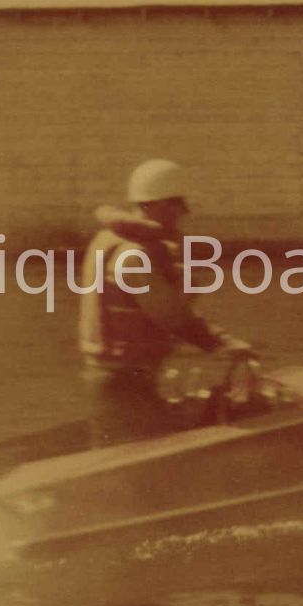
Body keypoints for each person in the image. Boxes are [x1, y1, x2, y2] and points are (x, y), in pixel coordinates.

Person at [76, 158, 247, 444]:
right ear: (161, 204)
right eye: (179, 204)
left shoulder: (106, 239)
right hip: (123, 384)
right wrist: (222, 341)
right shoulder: (134, 257)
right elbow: (172, 317)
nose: (183, 213)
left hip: (112, 378)